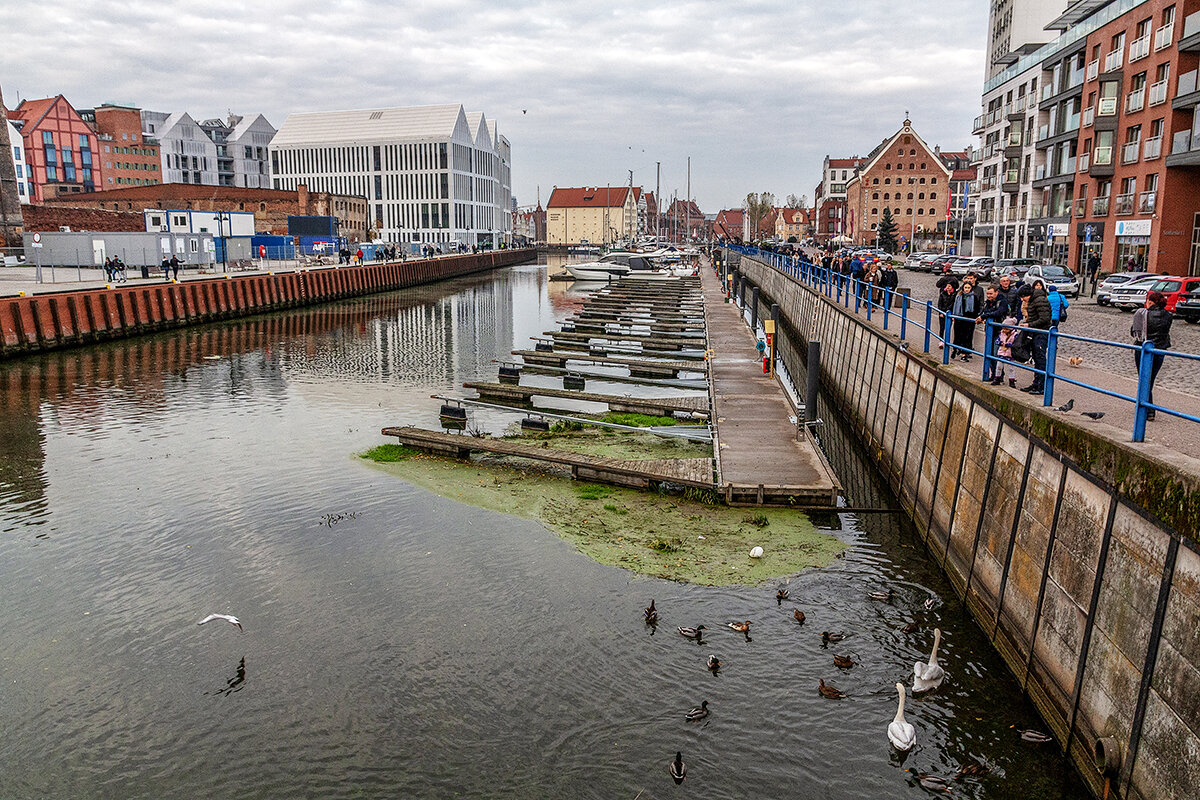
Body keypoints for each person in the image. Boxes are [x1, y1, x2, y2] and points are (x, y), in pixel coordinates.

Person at [1131, 290, 1173, 420]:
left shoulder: (1142, 314)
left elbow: (1134, 333)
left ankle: (1148, 410)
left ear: (1150, 302)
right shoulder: (1168, 315)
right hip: (1160, 351)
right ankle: (1143, 404)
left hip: (1144, 349)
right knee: (1150, 379)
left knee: (1144, 379)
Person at [1019, 283, 1053, 394]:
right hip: (1035, 332)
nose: (1022, 299)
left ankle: (1041, 386)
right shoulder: (1034, 300)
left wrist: (1030, 325)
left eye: (1023, 297)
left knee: (1040, 358)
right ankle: (1036, 383)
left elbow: (1045, 318)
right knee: (1036, 358)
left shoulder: (1040, 300)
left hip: (1041, 332)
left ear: (1028, 294)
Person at [977, 284, 1009, 380]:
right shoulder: (988, 303)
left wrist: (984, 316)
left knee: (996, 354)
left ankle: (999, 375)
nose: (989, 296)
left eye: (991, 293)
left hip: (999, 332)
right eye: (987, 294)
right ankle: (994, 374)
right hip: (989, 331)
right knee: (989, 353)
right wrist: (982, 317)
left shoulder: (1002, 302)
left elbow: (999, 312)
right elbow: (984, 312)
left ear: (996, 292)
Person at [950, 280, 979, 361]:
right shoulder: (958, 296)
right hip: (959, 319)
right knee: (958, 336)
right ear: (963, 288)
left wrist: (975, 318)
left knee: (967, 337)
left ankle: (964, 353)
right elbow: (954, 306)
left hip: (969, 320)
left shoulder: (974, 297)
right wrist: (954, 316)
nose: (967, 289)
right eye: (965, 287)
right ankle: (956, 349)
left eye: (968, 288)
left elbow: (976, 309)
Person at [992, 316, 1020, 388]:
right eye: (1003, 328)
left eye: (1006, 329)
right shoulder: (1001, 334)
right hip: (1001, 352)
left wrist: (1008, 344)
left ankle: (1011, 381)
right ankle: (997, 378)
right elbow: (997, 341)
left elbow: (1016, 344)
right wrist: (1000, 343)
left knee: (1011, 368)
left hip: (1010, 353)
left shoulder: (1015, 335)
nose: (1003, 330)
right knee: (999, 366)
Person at [936, 278, 958, 350]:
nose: (947, 287)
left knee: (948, 327)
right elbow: (940, 303)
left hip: (950, 313)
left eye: (949, 286)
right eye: (947, 286)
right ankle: (941, 341)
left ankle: (947, 341)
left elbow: (953, 304)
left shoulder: (955, 295)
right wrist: (941, 312)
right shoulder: (943, 293)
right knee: (942, 327)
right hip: (942, 313)